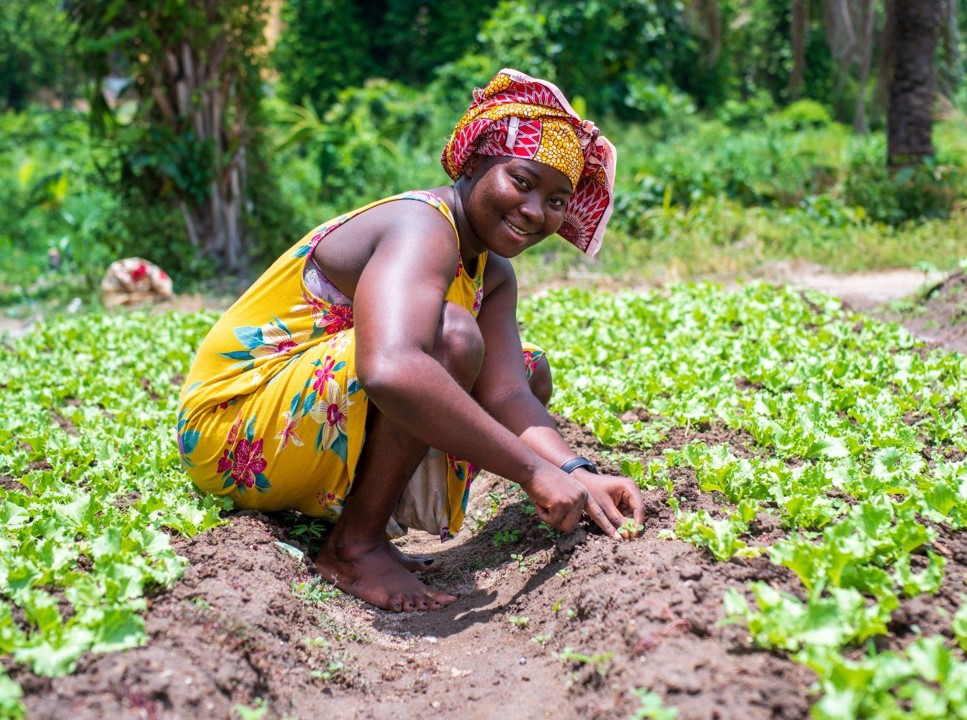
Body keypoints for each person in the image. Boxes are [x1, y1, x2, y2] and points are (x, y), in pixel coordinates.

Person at [176, 68, 644, 613]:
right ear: (472, 165)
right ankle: (353, 547)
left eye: (558, 200)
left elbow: (508, 394)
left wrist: (574, 472)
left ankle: (359, 521)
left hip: (293, 426)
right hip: (230, 429)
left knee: (524, 366)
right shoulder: (422, 225)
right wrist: (530, 471)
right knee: (448, 338)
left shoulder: (491, 273)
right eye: (522, 181)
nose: (536, 211)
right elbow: (391, 368)